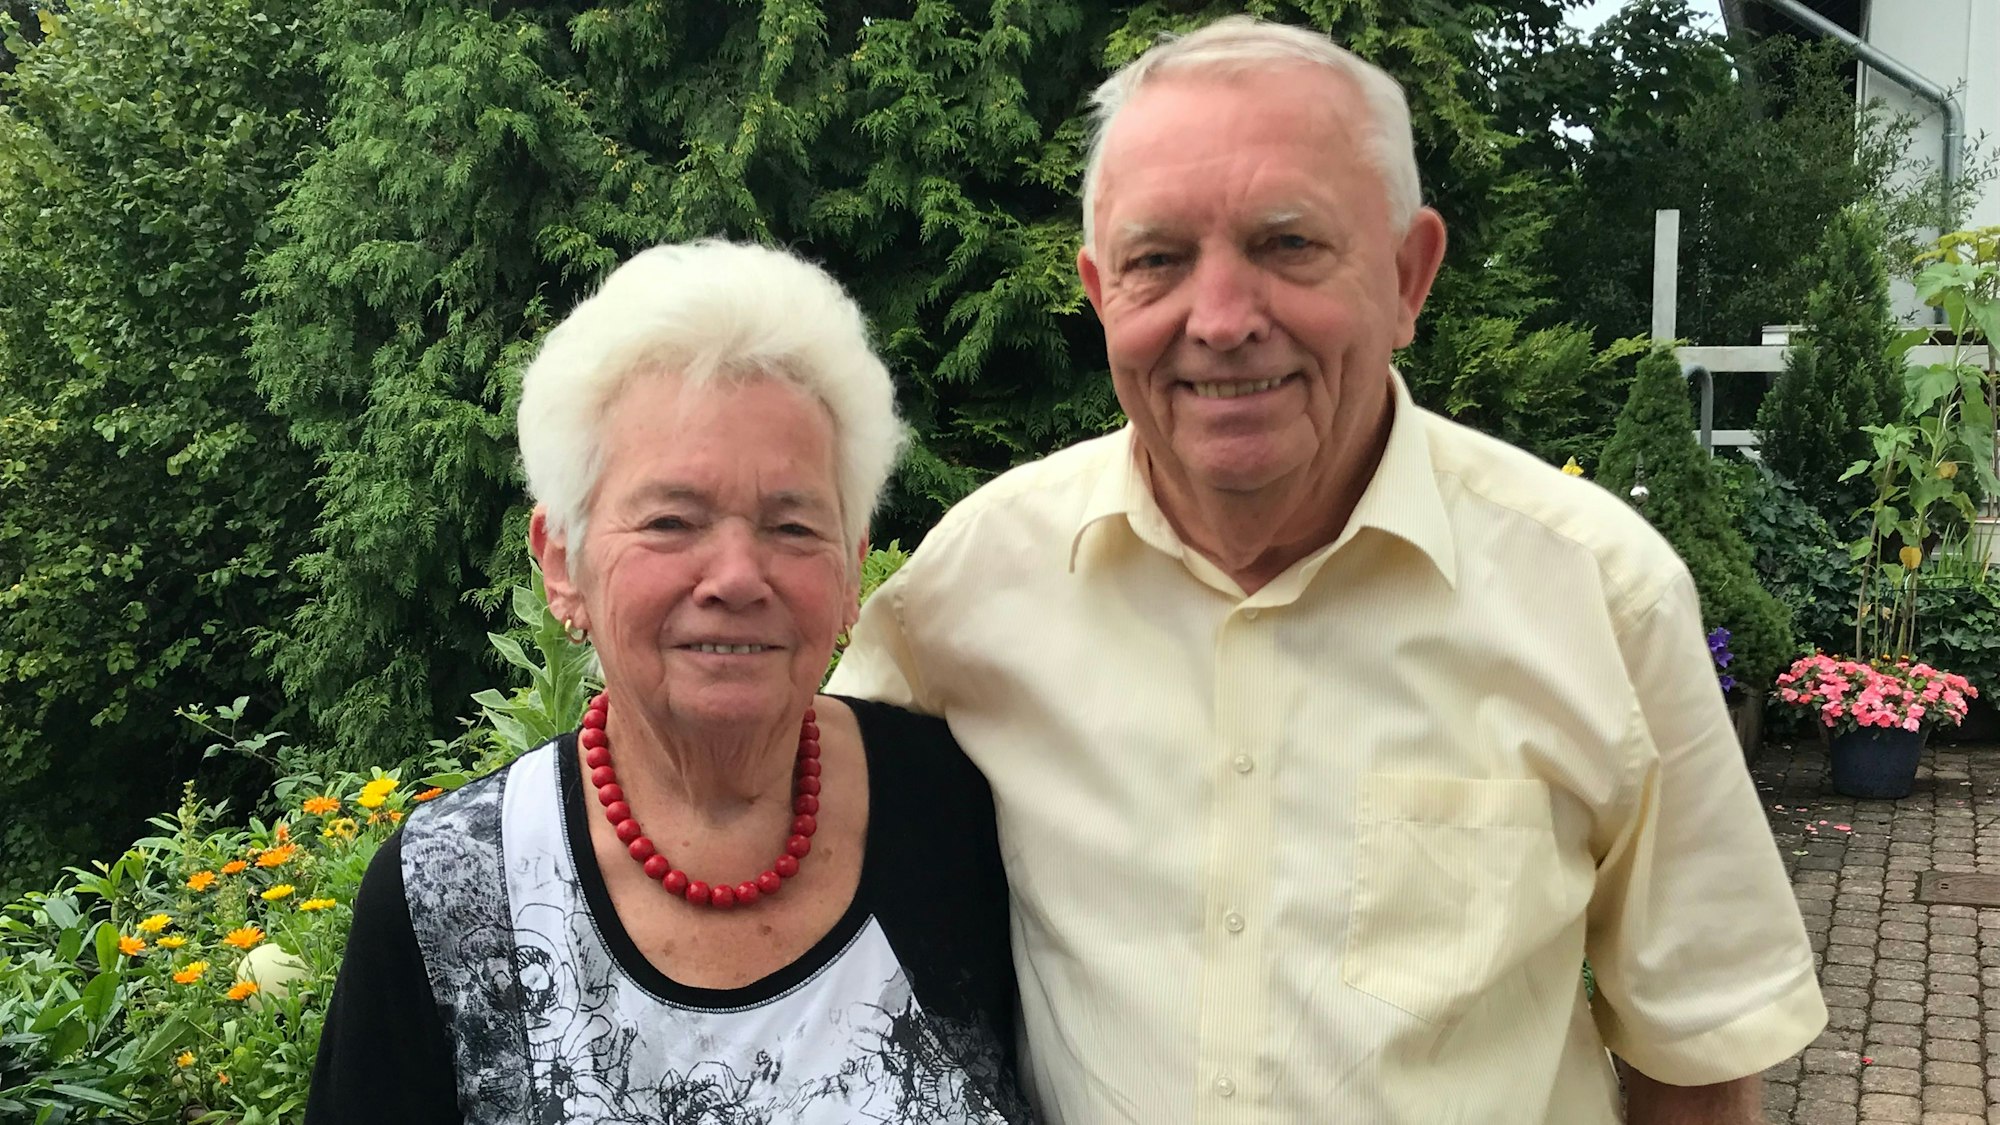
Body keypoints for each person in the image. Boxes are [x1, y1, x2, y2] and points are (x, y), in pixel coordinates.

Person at [828, 16, 1826, 1124]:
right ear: (1100, 291)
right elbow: (802, 857)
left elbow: (1693, 1057)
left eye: (1287, 245)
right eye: (1156, 260)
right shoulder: (976, 586)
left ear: (1408, 275)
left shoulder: (1598, 596)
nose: (1218, 320)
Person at [307, 240, 1029, 1124]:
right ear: (561, 562)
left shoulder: (962, 811)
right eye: (671, 519)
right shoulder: (449, 893)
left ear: (851, 571)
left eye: (793, 526)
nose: (736, 575)